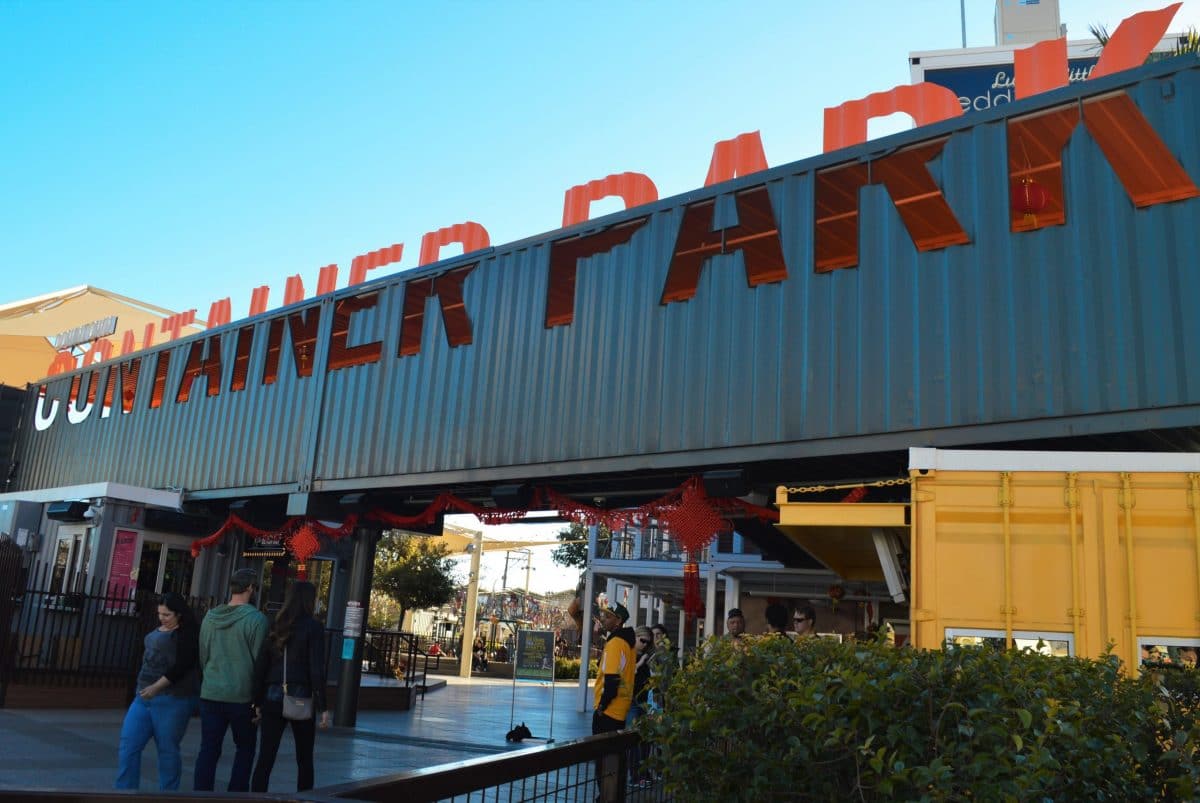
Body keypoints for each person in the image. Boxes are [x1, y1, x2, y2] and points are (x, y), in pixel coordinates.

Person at [114, 592, 200, 791]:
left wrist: (156, 687)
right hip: (143, 697)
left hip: (172, 698)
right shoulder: (159, 630)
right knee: (128, 746)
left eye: (167, 614)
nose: (162, 618)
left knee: (167, 749)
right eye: (160, 613)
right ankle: (124, 791)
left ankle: (168, 794)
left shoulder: (187, 634)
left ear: (179, 614)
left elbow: (183, 665)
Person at [251, 581, 331, 793]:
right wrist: (323, 706)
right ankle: (305, 797)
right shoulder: (313, 627)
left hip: (272, 695)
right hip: (301, 696)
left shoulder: (275, 623)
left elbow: (261, 665)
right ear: (309, 601)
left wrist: (257, 700)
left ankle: (256, 797)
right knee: (304, 758)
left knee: (266, 756)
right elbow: (316, 669)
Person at [194, 567, 269, 792]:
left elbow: (203, 654)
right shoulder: (257, 620)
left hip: (211, 692)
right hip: (241, 696)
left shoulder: (210, 616)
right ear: (250, 588)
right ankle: (236, 795)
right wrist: (259, 701)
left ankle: (200, 795)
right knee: (245, 749)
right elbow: (259, 663)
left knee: (208, 748)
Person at [627, 625, 654, 788]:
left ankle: (643, 773)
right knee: (633, 739)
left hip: (644, 701)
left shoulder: (646, 657)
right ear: (635, 637)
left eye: (647, 642)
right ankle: (635, 775)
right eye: (642, 640)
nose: (644, 644)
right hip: (631, 702)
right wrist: (640, 662)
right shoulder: (628, 653)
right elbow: (626, 674)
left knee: (644, 740)